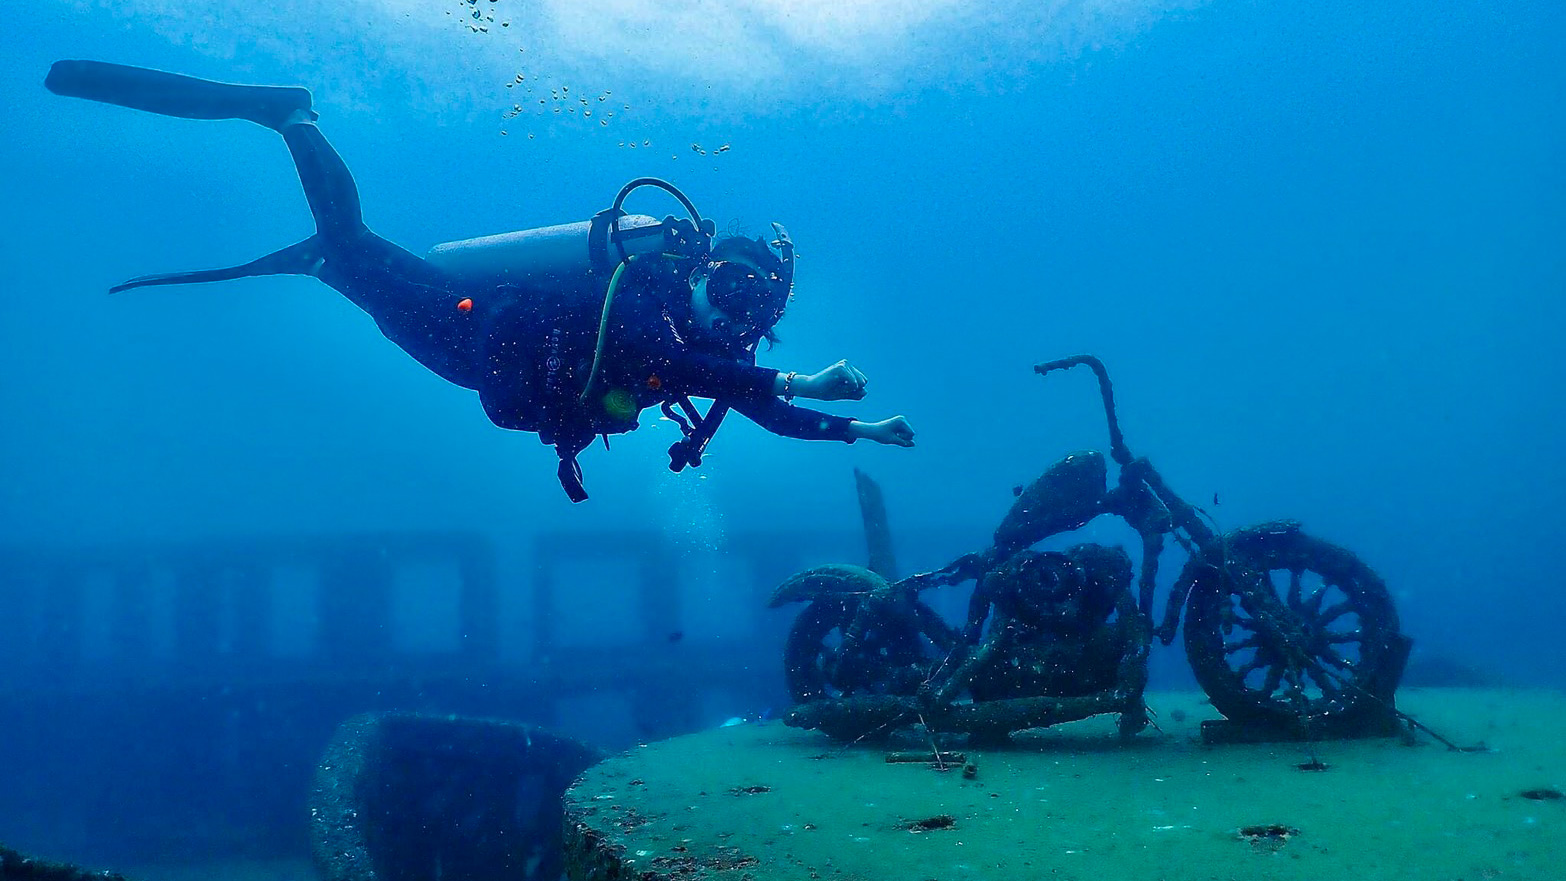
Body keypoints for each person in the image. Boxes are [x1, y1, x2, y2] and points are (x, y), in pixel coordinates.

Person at [44, 60, 915, 501]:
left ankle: (321, 258)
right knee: (349, 246)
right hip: (481, 330)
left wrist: (861, 431)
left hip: (489, 367)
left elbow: (764, 409)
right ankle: (292, 116)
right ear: (702, 267)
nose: (729, 307)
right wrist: (795, 374)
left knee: (350, 265)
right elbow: (675, 363)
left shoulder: (712, 348)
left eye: (752, 306)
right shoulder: (653, 297)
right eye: (728, 284)